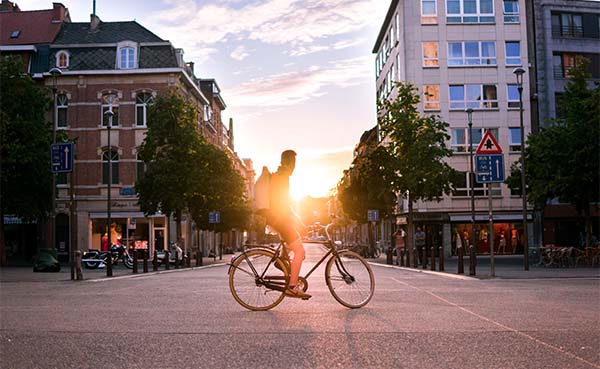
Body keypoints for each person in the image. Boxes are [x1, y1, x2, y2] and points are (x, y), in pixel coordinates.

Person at [265, 150, 311, 300]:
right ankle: (292, 287)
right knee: (300, 252)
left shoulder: (278, 175)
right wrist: (297, 220)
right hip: (280, 219)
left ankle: (282, 259)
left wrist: (298, 220)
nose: (294, 166)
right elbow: (282, 203)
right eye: (293, 163)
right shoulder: (283, 177)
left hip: (277, 218)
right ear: (289, 162)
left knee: (298, 238)